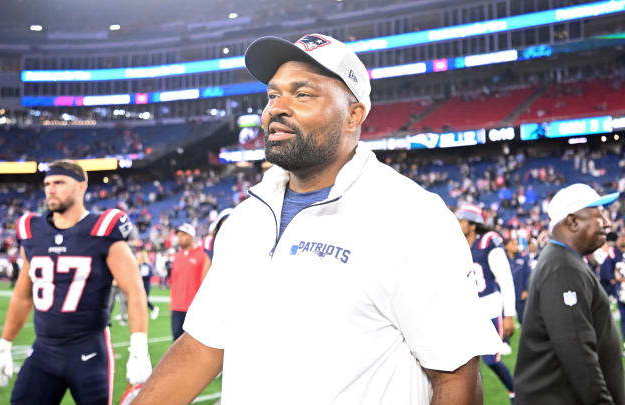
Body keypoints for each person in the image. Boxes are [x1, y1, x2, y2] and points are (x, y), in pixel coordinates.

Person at [134, 33, 500, 405]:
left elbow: (456, 378)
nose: (277, 107)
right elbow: (203, 345)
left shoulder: (410, 217)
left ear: (354, 115)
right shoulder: (247, 219)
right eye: (273, 94)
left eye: (303, 94)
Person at [0, 160, 152, 405]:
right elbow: (23, 296)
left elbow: (134, 291)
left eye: (59, 182)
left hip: (89, 350)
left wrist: (139, 347)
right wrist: (4, 344)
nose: (51, 189)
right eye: (47, 184)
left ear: (81, 187)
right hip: (44, 349)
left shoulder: (102, 230)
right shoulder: (32, 232)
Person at [514, 183, 624, 404]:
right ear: (573, 221)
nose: (607, 223)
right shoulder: (563, 266)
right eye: (599, 215)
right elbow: (578, 355)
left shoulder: (563, 260)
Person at [455, 203, 517, 401]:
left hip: (490, 308)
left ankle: (516, 390)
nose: (458, 223)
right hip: (470, 311)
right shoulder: (458, 245)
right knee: (467, 364)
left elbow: (506, 279)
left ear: (473, 225)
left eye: (462, 220)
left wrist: (509, 315)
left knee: (491, 360)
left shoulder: (487, 243)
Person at [169, 223, 210, 341]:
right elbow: (174, 282)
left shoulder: (203, 255)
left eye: (183, 235)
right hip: (177, 307)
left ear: (191, 236)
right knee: (176, 343)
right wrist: (172, 305)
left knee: (195, 345)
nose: (180, 238)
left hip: (195, 308)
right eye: (179, 235)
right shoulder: (177, 256)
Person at [504, 237, 531, 324]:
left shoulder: (523, 258)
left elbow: (528, 275)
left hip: (520, 294)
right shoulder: (503, 259)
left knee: (524, 319)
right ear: (506, 246)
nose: (516, 246)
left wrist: (526, 290)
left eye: (516, 243)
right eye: (513, 244)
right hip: (506, 295)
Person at [136, 242, 159, 320]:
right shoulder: (141, 265)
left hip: (145, 284)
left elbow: (144, 276)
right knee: (141, 300)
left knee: (143, 299)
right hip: (142, 284)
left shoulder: (145, 265)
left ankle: (153, 308)